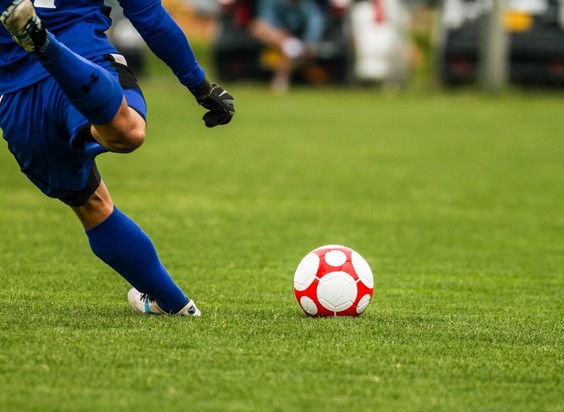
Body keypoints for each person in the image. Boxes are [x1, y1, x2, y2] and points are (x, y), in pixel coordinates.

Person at [0, 0, 235, 316]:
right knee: (128, 131)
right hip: (85, 57)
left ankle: (175, 305)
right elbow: (150, 17)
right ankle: (46, 46)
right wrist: (200, 86)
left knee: (90, 204)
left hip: (15, 95)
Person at [249, 0, 326, 93]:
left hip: (296, 40)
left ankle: (281, 79)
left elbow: (315, 23)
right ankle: (282, 76)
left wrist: (309, 42)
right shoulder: (270, 2)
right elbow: (266, 19)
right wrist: (279, 33)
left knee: (290, 46)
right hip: (273, 35)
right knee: (258, 26)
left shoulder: (306, 4)